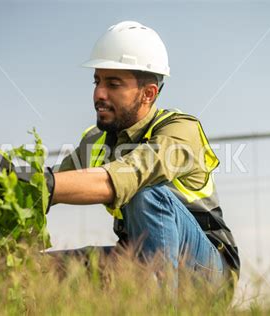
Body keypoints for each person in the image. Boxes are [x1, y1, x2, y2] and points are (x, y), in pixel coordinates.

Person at [48, 21, 240, 293]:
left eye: (113, 84)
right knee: (40, 268)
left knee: (145, 193)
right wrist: (1, 175)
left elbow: (129, 175)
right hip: (138, 262)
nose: (99, 94)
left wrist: (47, 185)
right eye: (98, 81)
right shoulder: (96, 140)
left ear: (148, 94)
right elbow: (56, 181)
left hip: (207, 274)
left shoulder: (180, 131)